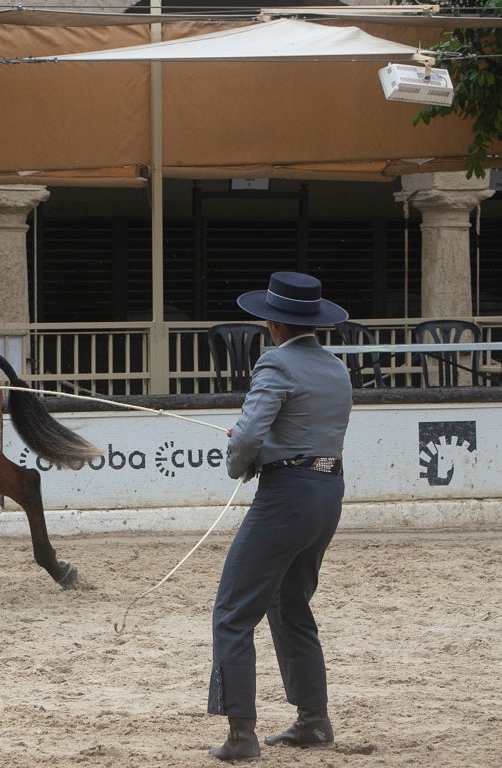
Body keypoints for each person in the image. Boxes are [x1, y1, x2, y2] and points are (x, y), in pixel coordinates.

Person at [207, 271, 353, 762]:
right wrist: (262, 451)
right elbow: (303, 433)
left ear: (272, 322)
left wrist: (241, 463)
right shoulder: (336, 368)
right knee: (292, 605)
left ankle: (241, 736)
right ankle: (313, 721)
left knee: (232, 612)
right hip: (328, 491)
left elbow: (248, 437)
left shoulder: (274, 364)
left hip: (286, 496)